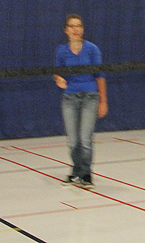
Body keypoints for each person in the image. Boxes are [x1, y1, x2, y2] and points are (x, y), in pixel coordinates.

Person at [52, 14, 108, 188]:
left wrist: (103, 101)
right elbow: (56, 72)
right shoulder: (61, 51)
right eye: (72, 26)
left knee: (85, 139)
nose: (76, 29)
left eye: (79, 26)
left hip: (90, 97)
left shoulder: (92, 49)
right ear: (66, 30)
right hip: (69, 98)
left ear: (82, 29)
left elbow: (100, 76)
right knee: (73, 140)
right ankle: (76, 171)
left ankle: (86, 174)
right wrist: (58, 78)